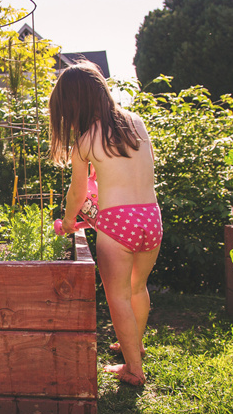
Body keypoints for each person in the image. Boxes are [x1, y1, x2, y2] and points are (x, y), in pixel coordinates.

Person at [49, 61, 162, 387]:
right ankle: (134, 345)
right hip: (151, 217)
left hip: (117, 224)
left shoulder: (85, 141)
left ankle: (134, 369)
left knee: (118, 298)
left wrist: (70, 220)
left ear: (73, 105)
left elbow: (78, 192)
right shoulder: (136, 123)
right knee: (137, 288)